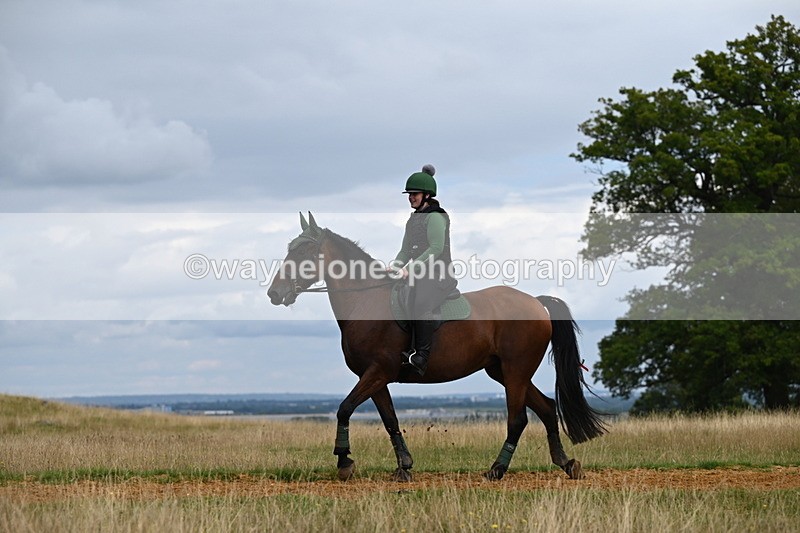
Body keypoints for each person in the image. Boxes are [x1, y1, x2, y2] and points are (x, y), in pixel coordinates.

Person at [391, 164, 457, 376]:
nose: (411, 198)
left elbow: (436, 248)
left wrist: (412, 267)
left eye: (414, 194)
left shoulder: (436, 217)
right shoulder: (413, 221)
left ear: (427, 195)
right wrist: (395, 266)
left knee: (420, 301)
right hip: (418, 274)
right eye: (409, 194)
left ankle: (422, 356)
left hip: (438, 274)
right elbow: (404, 250)